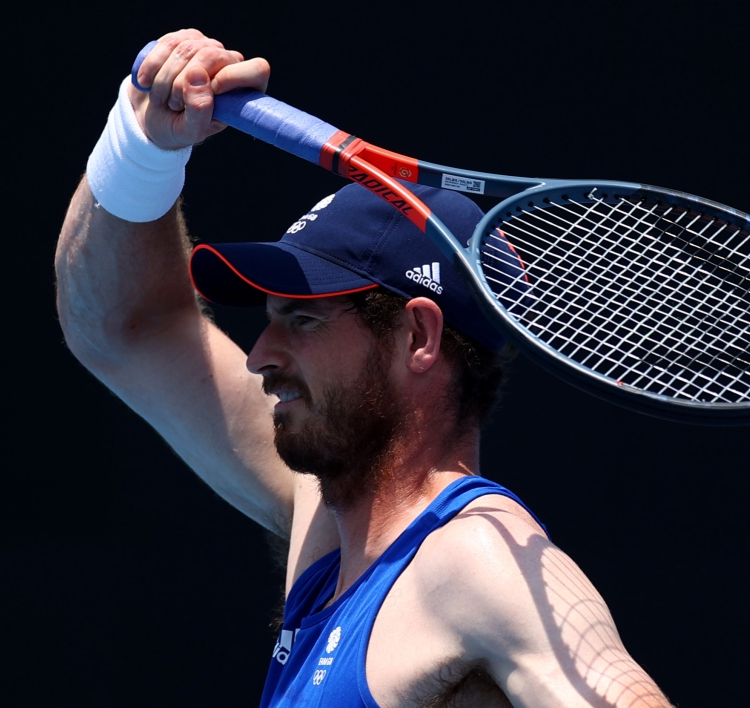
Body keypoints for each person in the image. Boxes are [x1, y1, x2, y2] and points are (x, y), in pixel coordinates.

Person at [56, 29, 673, 707]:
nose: (261, 354)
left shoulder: (477, 564)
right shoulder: (328, 524)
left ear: (417, 336)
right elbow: (124, 328)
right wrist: (144, 143)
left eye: (305, 318)